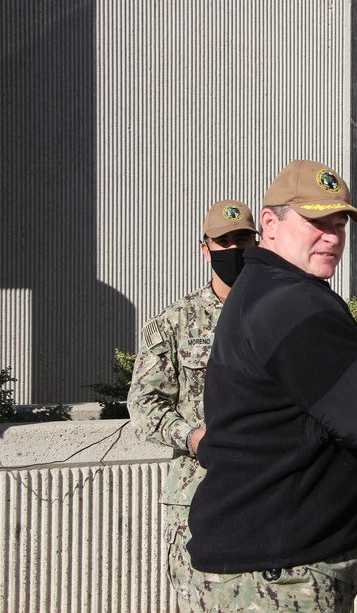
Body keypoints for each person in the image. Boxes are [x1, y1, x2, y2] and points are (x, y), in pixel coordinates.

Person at [187, 159, 357, 613]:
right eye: (316, 222)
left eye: (340, 223)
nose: (332, 236)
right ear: (269, 223)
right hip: (280, 575)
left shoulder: (267, 288)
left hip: (271, 559)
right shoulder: (291, 299)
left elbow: (311, 402)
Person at [126, 199, 258, 611]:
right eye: (224, 241)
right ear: (205, 248)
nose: (234, 249)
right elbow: (143, 403)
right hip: (197, 493)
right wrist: (192, 437)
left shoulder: (279, 310)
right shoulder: (177, 320)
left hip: (267, 490)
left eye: (243, 239)